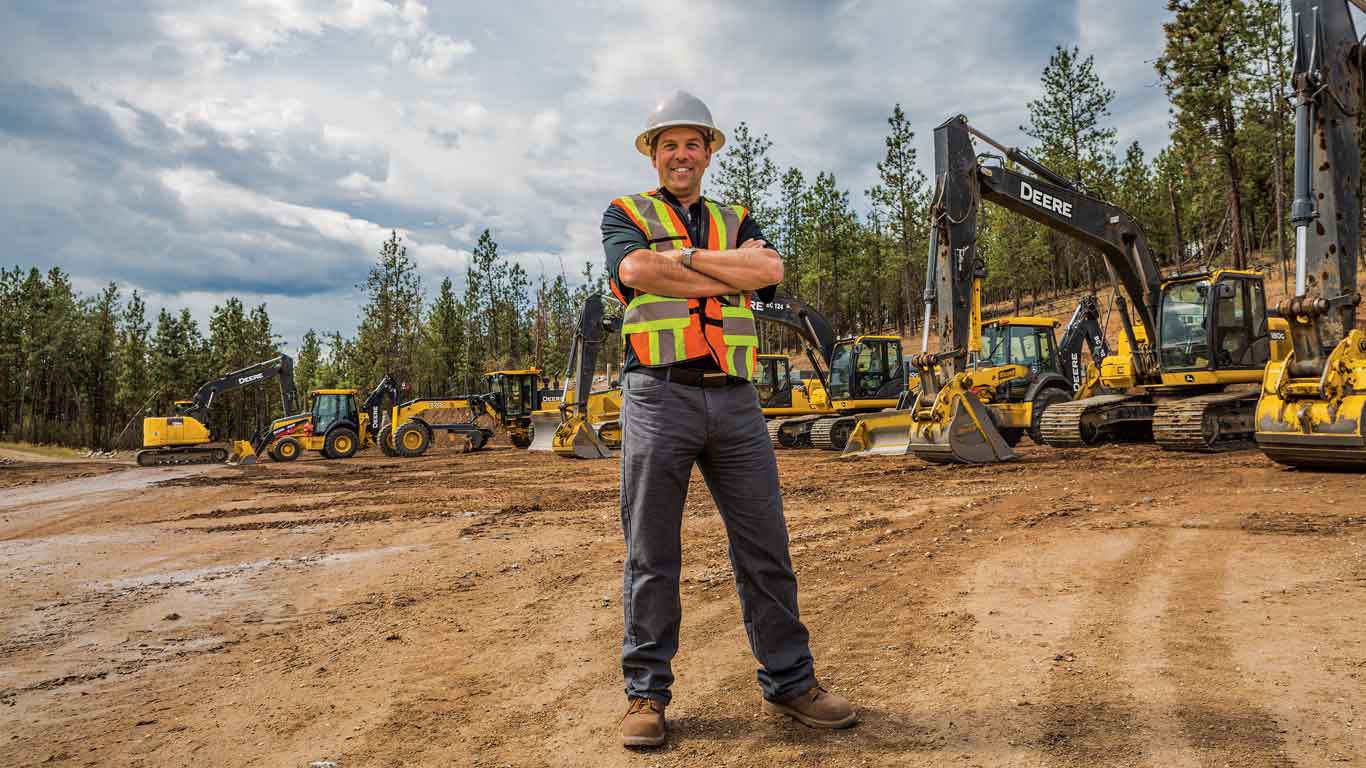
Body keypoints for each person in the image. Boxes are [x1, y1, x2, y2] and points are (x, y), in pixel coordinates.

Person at [600, 90, 857, 749]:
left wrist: (678, 264)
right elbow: (634, 269)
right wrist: (720, 273)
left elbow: (768, 268)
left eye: (692, 143)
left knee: (765, 547)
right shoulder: (625, 213)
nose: (680, 154)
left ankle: (791, 682)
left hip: (737, 400)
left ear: (708, 152)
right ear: (653, 155)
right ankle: (646, 696)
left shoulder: (738, 217)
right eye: (668, 144)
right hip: (659, 396)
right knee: (651, 552)